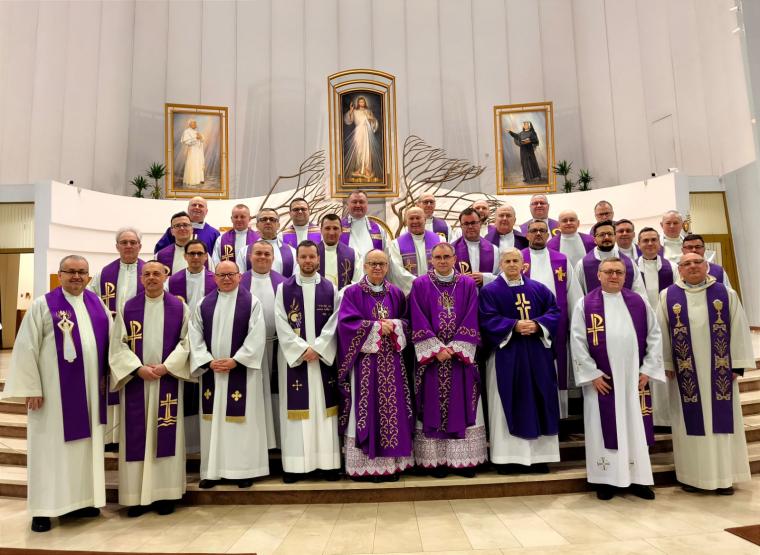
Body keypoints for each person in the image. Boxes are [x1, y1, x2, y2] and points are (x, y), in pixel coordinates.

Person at [3, 255, 111, 532]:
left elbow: (111, 345)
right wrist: (31, 387)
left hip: (90, 393)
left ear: (88, 276)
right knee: (49, 451)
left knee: (85, 449)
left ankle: (83, 501)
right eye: (70, 271)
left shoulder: (97, 304)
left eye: (82, 272)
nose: (76, 276)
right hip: (53, 396)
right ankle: (43, 510)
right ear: (60, 274)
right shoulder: (43, 305)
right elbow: (26, 347)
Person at [658, 253, 754, 495]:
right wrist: (667, 362)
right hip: (684, 373)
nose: (692, 267)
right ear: (680, 269)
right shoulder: (668, 296)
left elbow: (739, 327)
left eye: (697, 262)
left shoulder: (726, 294)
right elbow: (662, 331)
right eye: (686, 264)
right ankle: (693, 477)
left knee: (722, 423)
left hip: (720, 371)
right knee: (688, 425)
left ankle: (725, 478)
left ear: (707, 266)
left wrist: (737, 364)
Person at [571, 257, 664, 501]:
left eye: (619, 272)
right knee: (602, 429)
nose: (614, 276)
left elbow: (654, 336)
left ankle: (638, 479)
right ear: (598, 275)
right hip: (602, 382)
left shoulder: (639, 302)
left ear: (625, 276)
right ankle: (606, 480)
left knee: (634, 427)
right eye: (609, 271)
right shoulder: (585, 304)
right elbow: (577, 341)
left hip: (634, 380)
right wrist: (592, 373)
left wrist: (648, 369)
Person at [109, 260, 191, 517]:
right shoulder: (128, 307)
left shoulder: (179, 307)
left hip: (167, 380)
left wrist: (167, 367)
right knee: (136, 438)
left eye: (157, 273)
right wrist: (137, 368)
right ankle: (135, 497)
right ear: (141, 278)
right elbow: (118, 344)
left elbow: (187, 342)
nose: (152, 277)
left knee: (166, 436)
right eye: (147, 274)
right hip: (138, 381)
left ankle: (165, 494)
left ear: (165, 277)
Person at [408, 242, 487, 477]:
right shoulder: (420, 284)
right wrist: (435, 349)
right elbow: (417, 317)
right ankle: (436, 462)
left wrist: (455, 348)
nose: (442, 261)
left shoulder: (467, 284)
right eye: (438, 257)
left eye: (446, 257)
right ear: (431, 260)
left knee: (462, 403)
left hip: (460, 359)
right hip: (432, 361)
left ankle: (463, 461)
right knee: (431, 405)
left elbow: (472, 315)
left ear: (454, 259)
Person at [480, 249, 561, 474]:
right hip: (506, 354)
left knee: (540, 399)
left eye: (516, 260)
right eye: (507, 261)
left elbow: (554, 312)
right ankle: (508, 458)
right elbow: (486, 318)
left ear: (523, 264)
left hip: (537, 355)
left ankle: (539, 458)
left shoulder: (539, 289)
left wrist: (538, 325)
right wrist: (513, 326)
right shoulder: (490, 291)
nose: (512, 264)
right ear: (501, 265)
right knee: (505, 401)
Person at [189, 261, 268, 489]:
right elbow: (194, 336)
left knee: (241, 424)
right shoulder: (204, 304)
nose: (226, 278)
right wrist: (208, 361)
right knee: (212, 423)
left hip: (242, 373)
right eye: (221, 275)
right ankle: (211, 471)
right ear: (214, 278)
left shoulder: (252, 303)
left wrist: (237, 360)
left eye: (231, 274)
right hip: (212, 374)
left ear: (240, 276)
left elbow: (257, 335)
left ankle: (243, 471)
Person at [337, 250, 414, 482]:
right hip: (365, 364)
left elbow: (407, 322)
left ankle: (391, 466)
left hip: (393, 363)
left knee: (393, 411)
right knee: (367, 410)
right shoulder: (352, 293)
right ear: (364, 266)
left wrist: (395, 325)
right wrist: (376, 327)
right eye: (372, 263)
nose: (377, 267)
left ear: (388, 267)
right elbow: (346, 325)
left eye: (381, 263)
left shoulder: (396, 293)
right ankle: (365, 467)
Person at [274, 240, 341, 483]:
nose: (308, 261)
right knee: (296, 414)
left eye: (312, 256)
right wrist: (302, 350)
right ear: (298, 259)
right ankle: (295, 466)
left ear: (318, 259)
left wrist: (319, 348)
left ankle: (327, 464)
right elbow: (281, 322)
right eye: (303, 257)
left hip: (322, 361)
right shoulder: (284, 288)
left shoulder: (330, 288)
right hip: (296, 361)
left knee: (324, 411)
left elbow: (335, 321)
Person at [88, 227, 145, 448]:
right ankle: (111, 437)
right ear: (117, 246)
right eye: (124, 242)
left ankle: (133, 432)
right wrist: (105, 315)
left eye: (133, 242)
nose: (128, 246)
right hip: (110, 335)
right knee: (111, 381)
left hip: (139, 335)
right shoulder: (104, 274)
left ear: (140, 246)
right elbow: (90, 300)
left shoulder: (148, 271)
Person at [522, 220, 583, 418]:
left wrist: (576, 323)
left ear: (548, 235)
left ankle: (558, 414)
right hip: (526, 325)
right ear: (527, 235)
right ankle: (533, 413)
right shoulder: (518, 259)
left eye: (542, 230)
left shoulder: (561, 260)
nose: (538, 234)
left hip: (555, 325)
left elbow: (573, 293)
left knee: (556, 368)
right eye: (534, 231)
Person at [166, 239, 216, 453]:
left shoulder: (217, 279)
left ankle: (208, 440)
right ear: (185, 256)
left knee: (207, 391)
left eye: (199, 253)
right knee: (186, 391)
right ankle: (188, 443)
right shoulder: (172, 282)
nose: (196, 257)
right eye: (191, 253)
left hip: (209, 341)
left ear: (206, 256)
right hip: (182, 340)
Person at [240, 240, 286, 448]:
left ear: (273, 258)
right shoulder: (239, 282)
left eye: (267, 254)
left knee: (274, 393)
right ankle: (253, 443)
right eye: (258, 253)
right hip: (247, 349)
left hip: (275, 347)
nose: (262, 257)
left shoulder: (284, 283)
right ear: (250, 256)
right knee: (252, 393)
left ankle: (276, 440)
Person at [637, 227, 677, 427]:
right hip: (642, 327)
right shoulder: (631, 268)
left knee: (666, 371)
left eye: (654, 240)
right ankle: (648, 418)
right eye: (645, 240)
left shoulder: (672, 267)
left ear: (659, 244)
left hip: (667, 325)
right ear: (639, 245)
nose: (650, 244)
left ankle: (667, 418)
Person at [574, 220, 647, 297]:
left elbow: (640, 295)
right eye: (602, 235)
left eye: (610, 234)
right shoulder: (582, 265)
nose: (606, 237)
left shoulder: (630, 264)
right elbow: (577, 295)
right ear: (594, 239)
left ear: (615, 237)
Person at [388, 206, 440, 295]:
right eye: (411, 218)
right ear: (406, 222)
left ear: (425, 220)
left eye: (418, 218)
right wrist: (419, 285)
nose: (415, 221)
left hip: (436, 290)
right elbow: (397, 271)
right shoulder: (396, 244)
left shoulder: (440, 240)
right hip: (412, 292)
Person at [451, 207, 500, 288]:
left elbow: (501, 278)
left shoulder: (494, 250)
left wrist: (485, 278)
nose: (470, 226)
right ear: (461, 226)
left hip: (486, 294)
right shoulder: (451, 250)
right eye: (466, 224)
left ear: (480, 223)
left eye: (473, 223)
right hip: (460, 294)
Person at [239, 208, 296, 276]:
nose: (268, 222)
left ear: (278, 225)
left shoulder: (292, 252)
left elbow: (294, 279)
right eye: (264, 219)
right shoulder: (244, 252)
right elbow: (240, 278)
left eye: (272, 219)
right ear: (257, 225)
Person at [154, 197, 219, 254]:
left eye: (200, 206)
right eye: (194, 205)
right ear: (188, 209)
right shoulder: (175, 229)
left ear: (206, 211)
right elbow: (161, 253)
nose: (197, 207)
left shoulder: (214, 233)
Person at [318, 213, 361, 289]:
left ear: (341, 231)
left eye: (335, 228)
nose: (331, 233)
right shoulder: (312, 253)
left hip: (344, 296)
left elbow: (357, 283)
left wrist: (343, 294)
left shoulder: (353, 254)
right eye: (327, 228)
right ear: (321, 230)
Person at [343, 96, 381, 181]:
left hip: (366, 132)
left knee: (367, 150)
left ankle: (367, 169)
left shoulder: (368, 111)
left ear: (365, 103)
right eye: (360, 102)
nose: (361, 103)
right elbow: (349, 121)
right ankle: (359, 168)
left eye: (362, 102)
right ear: (358, 103)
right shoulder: (355, 111)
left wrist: (371, 119)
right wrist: (351, 111)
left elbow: (374, 122)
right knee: (358, 150)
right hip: (358, 132)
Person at [340, 190, 386, 259]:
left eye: (361, 202)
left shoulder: (378, 229)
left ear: (367, 204)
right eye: (354, 202)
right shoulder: (338, 228)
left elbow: (386, 256)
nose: (358, 205)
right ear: (348, 204)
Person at [181, 120, 205, 186]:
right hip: (192, 150)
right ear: (190, 124)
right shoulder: (187, 131)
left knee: (199, 163)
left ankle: (199, 179)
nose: (196, 124)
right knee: (193, 163)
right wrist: (196, 138)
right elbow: (186, 142)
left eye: (196, 123)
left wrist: (200, 137)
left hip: (199, 150)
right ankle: (193, 180)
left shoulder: (196, 132)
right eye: (194, 123)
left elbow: (202, 139)